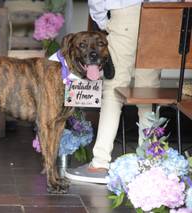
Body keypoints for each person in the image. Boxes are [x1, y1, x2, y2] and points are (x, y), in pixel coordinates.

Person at [65, 0, 163, 184]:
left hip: (126, 11)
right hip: (163, 13)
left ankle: (100, 163)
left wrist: (103, 20)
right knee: (148, 91)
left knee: (113, 90)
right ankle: (150, 162)